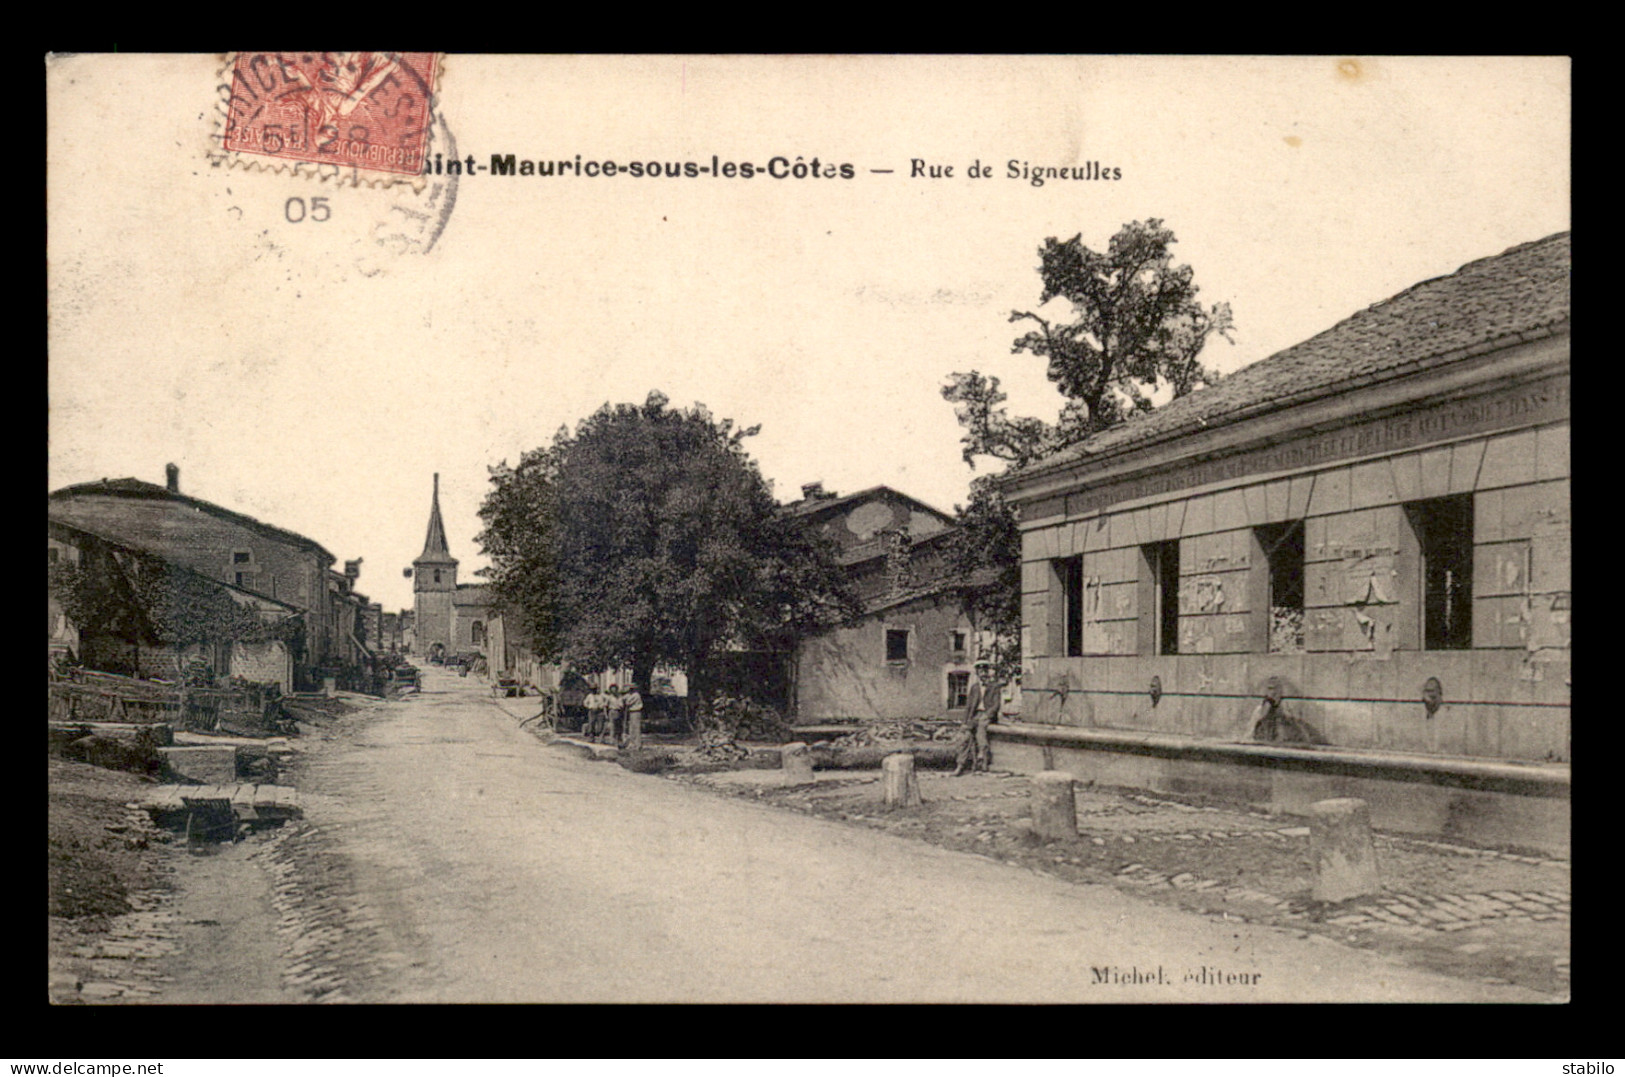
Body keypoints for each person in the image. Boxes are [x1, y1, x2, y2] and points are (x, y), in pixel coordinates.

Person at [953, 660, 1001, 776]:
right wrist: (965, 722)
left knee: (981, 732)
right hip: (975, 715)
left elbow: (996, 705)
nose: (983, 675)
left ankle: (983, 761)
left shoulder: (994, 687)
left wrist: (987, 715)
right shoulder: (975, 687)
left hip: (986, 715)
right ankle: (960, 765)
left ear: (988, 673)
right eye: (980, 672)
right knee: (965, 736)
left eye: (984, 672)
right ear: (977, 674)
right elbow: (969, 706)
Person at [619, 684, 644, 749]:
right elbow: (623, 698)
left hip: (636, 711)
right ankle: (632, 743)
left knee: (636, 728)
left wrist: (624, 700)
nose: (630, 690)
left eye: (631, 689)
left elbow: (628, 703)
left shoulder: (636, 695)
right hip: (631, 712)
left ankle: (637, 744)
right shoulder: (630, 695)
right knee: (631, 728)